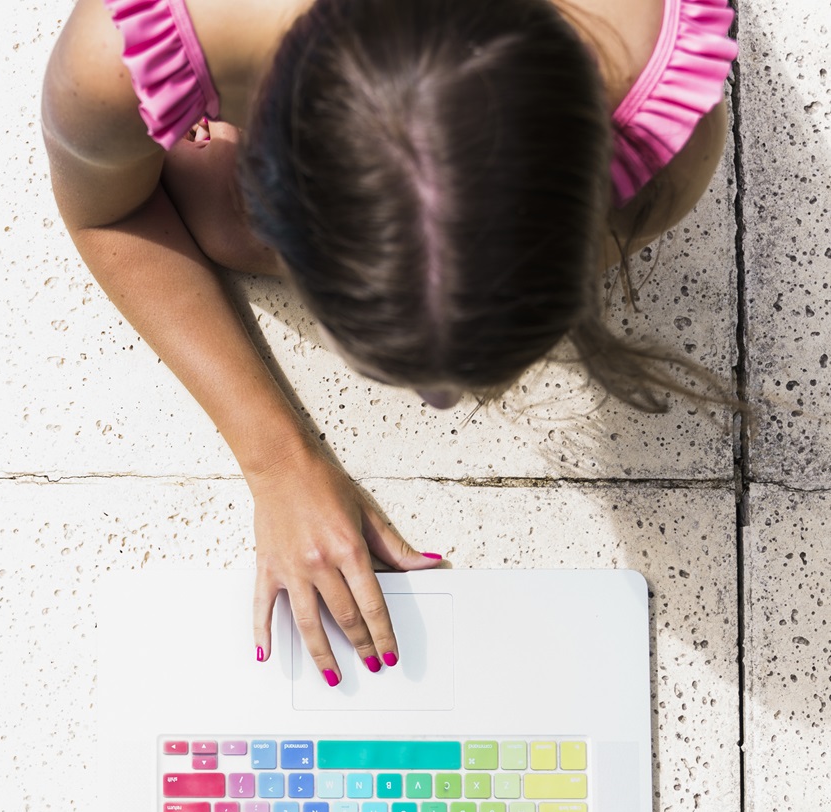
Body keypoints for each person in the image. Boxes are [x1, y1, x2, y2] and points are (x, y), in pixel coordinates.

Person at [41, 0, 736, 684]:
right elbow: (108, 215)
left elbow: (114, 199)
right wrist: (277, 462)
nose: (440, 400)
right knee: (224, 227)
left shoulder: (666, 120)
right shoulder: (120, 54)